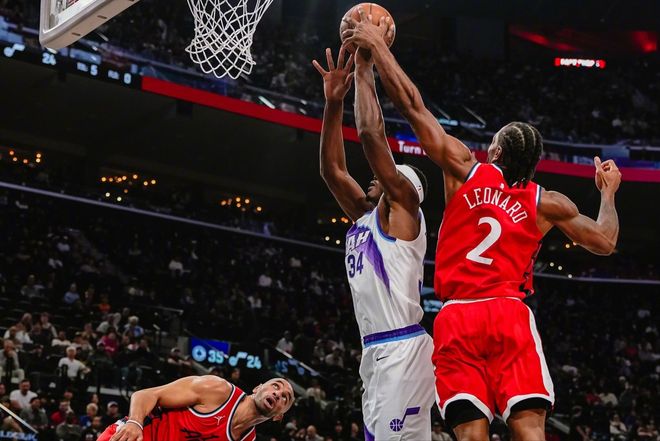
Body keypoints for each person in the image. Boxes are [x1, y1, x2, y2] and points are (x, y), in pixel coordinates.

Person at [343, 12, 621, 441]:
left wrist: (377, 49)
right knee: (530, 431)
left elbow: (412, 105)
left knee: (472, 435)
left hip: (458, 316)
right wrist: (608, 193)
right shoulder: (548, 202)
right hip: (509, 313)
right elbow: (605, 241)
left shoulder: (465, 169)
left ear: (496, 152)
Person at [314, 46, 435, 441]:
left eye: (387, 173)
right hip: (377, 349)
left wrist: (365, 69)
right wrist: (334, 103)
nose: (375, 175)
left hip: (401, 347)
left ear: (402, 186)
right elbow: (332, 170)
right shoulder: (366, 217)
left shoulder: (404, 210)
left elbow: (370, 134)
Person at [98, 375, 293, 441]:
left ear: (279, 416)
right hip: (134, 436)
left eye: (285, 397)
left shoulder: (247, 439)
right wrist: (134, 423)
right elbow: (146, 395)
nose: (278, 393)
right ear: (258, 388)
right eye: (275, 386)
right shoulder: (218, 390)